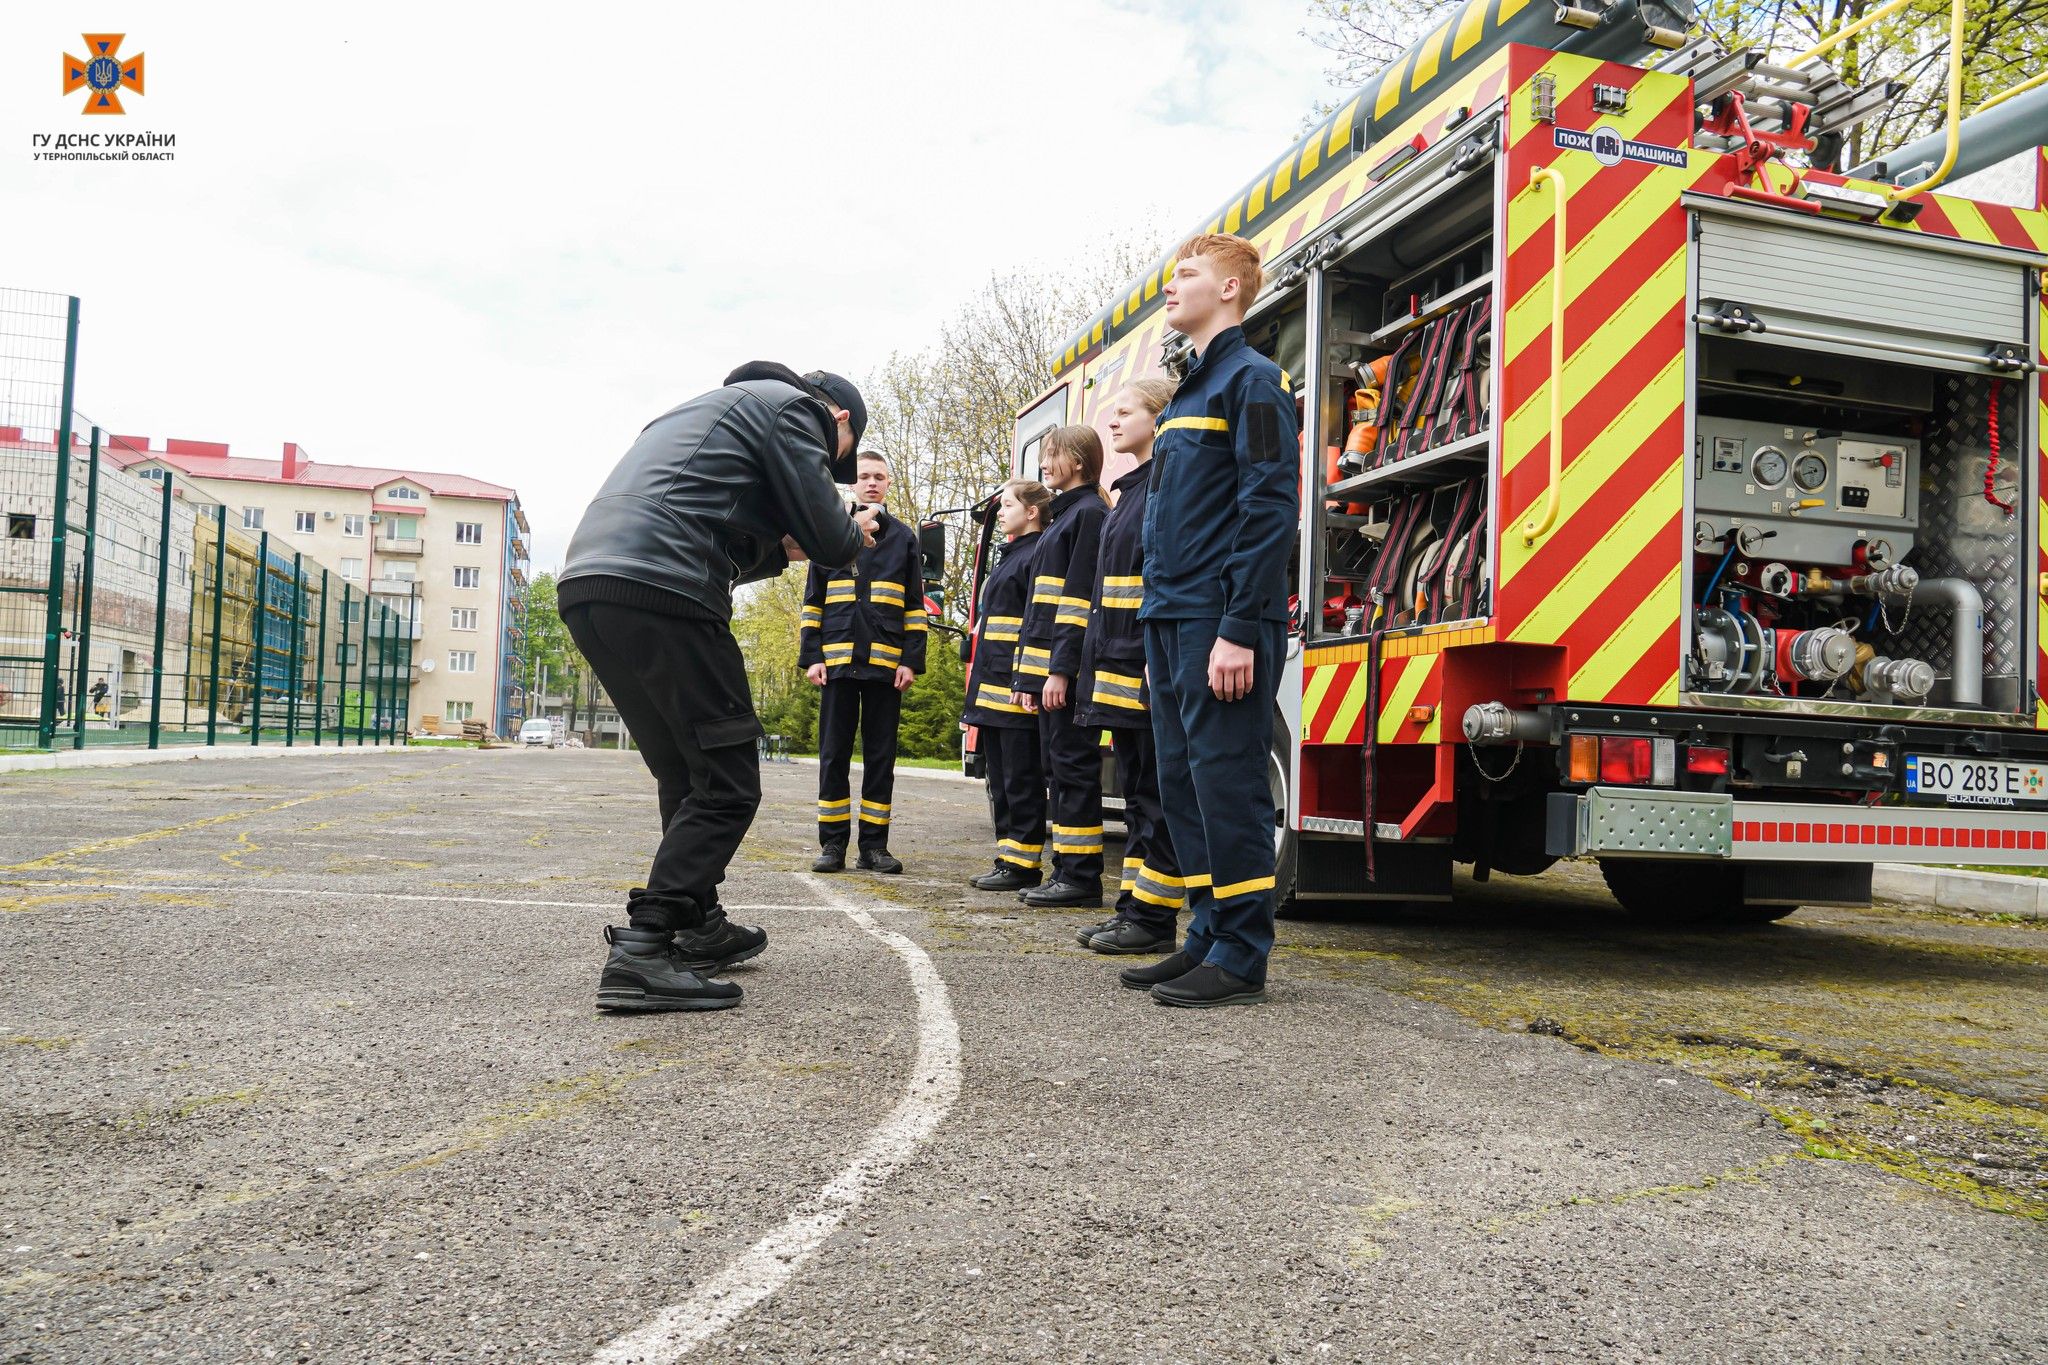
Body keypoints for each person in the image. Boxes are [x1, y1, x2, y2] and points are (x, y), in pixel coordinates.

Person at [558, 361, 879, 1013]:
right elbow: (830, 537)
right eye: (838, 462)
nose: (832, 467)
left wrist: (781, 550)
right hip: (664, 586)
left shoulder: (713, 411)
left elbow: (718, 524)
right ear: (839, 419)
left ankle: (697, 922)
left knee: (686, 770)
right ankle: (644, 947)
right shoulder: (797, 409)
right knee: (729, 780)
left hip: (594, 583)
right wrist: (852, 531)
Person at [1120, 233, 1297, 1009]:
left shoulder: (1254, 382)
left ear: (1230, 289)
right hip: (1171, 615)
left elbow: (1269, 509)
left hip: (1217, 619)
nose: (1171, 285)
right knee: (1183, 784)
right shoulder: (1189, 390)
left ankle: (1243, 953)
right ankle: (1205, 935)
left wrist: (1238, 624)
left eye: (1186, 273)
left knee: (1227, 782)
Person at [1073, 380, 1185, 955]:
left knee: (1157, 798)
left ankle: (1154, 918)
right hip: (1120, 668)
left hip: (1143, 668)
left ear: (1158, 418)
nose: (1112, 424)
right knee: (1139, 797)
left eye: (1125, 413)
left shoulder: (1161, 487)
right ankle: (1132, 909)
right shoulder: (1132, 491)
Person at [799, 450, 927, 875]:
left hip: (886, 667)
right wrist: (812, 657)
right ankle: (832, 844)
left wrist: (912, 660)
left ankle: (874, 846)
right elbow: (812, 603)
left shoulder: (904, 538)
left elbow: (913, 606)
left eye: (880, 477)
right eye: (864, 476)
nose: (872, 483)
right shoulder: (830, 535)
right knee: (833, 755)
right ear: (852, 484)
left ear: (889, 483)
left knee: (880, 757)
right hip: (834, 664)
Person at [1012, 426, 1110, 909]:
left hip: (1067, 671)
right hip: (1053, 669)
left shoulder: (1088, 514)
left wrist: (1061, 671)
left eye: (1052, 456)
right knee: (1059, 769)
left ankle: (1079, 877)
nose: (1045, 464)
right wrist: (1033, 676)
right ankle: (1067, 871)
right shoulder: (1065, 516)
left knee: (1072, 770)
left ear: (1078, 459)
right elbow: (1041, 610)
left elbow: (1076, 603)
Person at [961, 480, 1051, 892]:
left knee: (1020, 779)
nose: (1001, 512)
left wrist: (1025, 679)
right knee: (1000, 780)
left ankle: (1024, 864)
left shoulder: (1035, 555)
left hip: (1014, 689)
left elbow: (1034, 625)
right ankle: (1007, 858)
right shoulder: (1010, 556)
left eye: (1009, 504)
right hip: (994, 687)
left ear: (1031, 511)